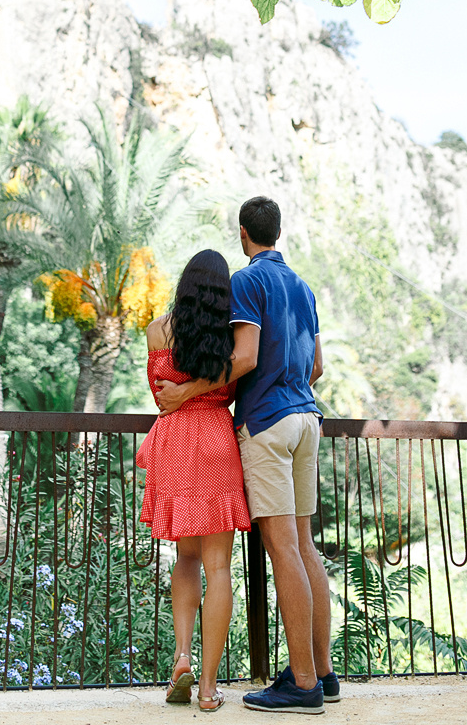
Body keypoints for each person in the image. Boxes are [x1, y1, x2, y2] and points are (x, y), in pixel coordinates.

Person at [156, 197, 339, 714]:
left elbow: (246, 356)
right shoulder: (302, 287)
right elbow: (317, 365)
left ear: (243, 233)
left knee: (282, 549)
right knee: (304, 547)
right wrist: (289, 384)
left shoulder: (247, 282)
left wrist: (188, 392)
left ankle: (301, 685)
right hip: (308, 417)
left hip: (269, 424)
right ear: (276, 232)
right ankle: (322, 674)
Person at [136, 249, 253, 712]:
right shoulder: (229, 336)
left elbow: (160, 396)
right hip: (216, 441)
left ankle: (181, 658)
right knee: (218, 566)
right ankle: (207, 687)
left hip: (176, 442)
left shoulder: (157, 331)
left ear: (184, 285)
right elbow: (237, 380)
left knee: (184, 558)